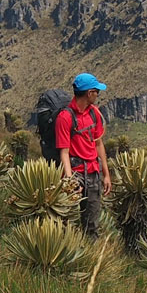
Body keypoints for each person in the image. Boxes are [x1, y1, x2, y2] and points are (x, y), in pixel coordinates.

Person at [56, 72, 107, 238]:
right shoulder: (65, 117)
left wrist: (106, 174)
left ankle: (91, 256)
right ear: (89, 93)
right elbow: (63, 151)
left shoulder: (95, 113)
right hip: (75, 172)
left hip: (93, 171)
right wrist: (70, 181)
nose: (98, 95)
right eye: (96, 91)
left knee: (92, 222)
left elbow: (98, 143)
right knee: (66, 220)